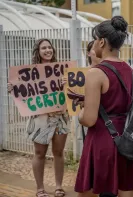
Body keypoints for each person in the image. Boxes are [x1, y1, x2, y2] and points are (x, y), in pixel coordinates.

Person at [74, 16, 133, 197]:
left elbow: (89, 119)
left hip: (102, 140)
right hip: (129, 139)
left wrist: (80, 113)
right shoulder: (130, 70)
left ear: (101, 42)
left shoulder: (96, 73)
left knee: (89, 191)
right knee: (127, 190)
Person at [7, 39, 69, 197]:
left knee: (59, 152)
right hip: (39, 118)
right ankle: (40, 189)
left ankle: (58, 187)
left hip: (61, 116)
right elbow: (23, 92)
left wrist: (67, 83)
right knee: (40, 153)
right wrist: (13, 88)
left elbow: (73, 91)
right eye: (44, 48)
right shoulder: (29, 73)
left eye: (49, 47)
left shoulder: (62, 70)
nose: (48, 50)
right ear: (38, 51)